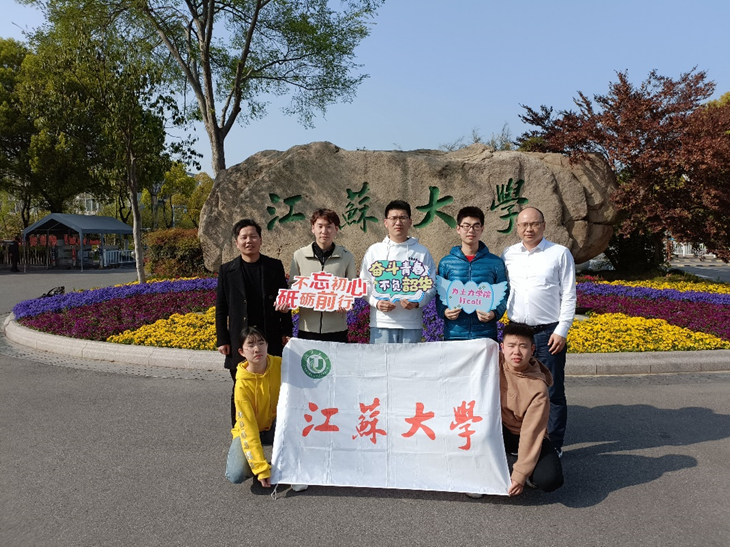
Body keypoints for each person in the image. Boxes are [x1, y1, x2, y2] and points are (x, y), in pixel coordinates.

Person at [501, 207, 576, 456]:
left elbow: (569, 294)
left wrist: (562, 330)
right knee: (516, 389)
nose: (529, 229)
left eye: (534, 224)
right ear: (517, 227)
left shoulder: (559, 253)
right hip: (517, 334)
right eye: (524, 225)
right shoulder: (508, 254)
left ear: (543, 225)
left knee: (552, 391)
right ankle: (520, 439)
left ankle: (553, 444)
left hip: (548, 334)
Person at [216, 219, 292, 427]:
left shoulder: (273, 266)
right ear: (237, 242)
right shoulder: (227, 270)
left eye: (253, 236)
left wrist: (286, 331)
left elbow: (284, 301)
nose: (249, 241)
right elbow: (221, 308)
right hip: (240, 339)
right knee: (240, 386)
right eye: (244, 237)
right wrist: (223, 339)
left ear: (260, 240)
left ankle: (272, 429)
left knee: (273, 385)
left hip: (269, 335)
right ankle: (241, 430)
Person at [224, 327, 307, 492]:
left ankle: (293, 469)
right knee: (236, 474)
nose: (257, 349)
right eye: (251, 345)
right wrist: (261, 469)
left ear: (267, 345)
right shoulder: (241, 385)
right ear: (241, 352)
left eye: (261, 343)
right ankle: (262, 463)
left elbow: (305, 369)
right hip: (251, 429)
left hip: (276, 426)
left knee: (295, 421)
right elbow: (248, 428)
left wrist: (297, 346)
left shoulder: (279, 364)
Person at [498, 322, 563, 496]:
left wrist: (520, 474)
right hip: (498, 430)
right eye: (511, 346)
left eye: (523, 346)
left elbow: (531, 433)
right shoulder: (493, 362)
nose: (516, 352)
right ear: (502, 347)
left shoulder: (538, 388)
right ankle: (489, 470)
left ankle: (521, 466)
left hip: (524, 434)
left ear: (532, 349)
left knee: (550, 479)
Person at [359, 200, 437, 344]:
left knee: (410, 360)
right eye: (393, 218)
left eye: (403, 218)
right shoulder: (374, 251)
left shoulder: (422, 252)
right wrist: (376, 302)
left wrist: (418, 302)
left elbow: (431, 285)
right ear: (386, 222)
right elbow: (364, 283)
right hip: (381, 323)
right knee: (381, 359)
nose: (398, 222)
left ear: (410, 222)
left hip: (411, 324)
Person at [436, 206, 509, 342]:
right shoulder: (446, 263)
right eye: (466, 226)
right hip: (454, 334)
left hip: (485, 334)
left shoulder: (495, 262)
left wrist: (494, 313)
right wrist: (444, 311)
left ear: (482, 229)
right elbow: (439, 293)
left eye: (476, 226)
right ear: (458, 229)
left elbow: (504, 293)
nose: (471, 230)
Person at [290, 209, 357, 342]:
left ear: (336, 229)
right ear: (313, 228)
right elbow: (292, 285)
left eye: (329, 227)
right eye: (320, 226)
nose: (324, 231)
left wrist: (346, 301)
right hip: (308, 328)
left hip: (336, 328)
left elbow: (352, 287)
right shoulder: (299, 255)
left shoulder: (346, 256)